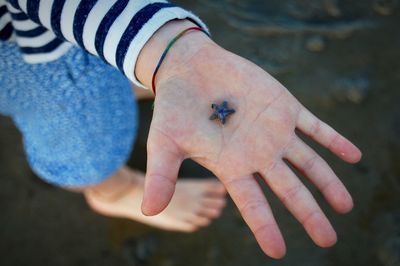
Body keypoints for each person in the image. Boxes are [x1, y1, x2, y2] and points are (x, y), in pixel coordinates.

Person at [0, 0, 362, 259]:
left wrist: (170, 59)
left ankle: (129, 83)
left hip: (79, 33)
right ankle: (111, 191)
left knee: (106, 72)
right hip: (32, 65)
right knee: (81, 134)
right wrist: (169, 51)